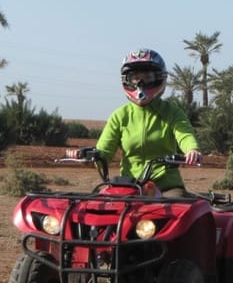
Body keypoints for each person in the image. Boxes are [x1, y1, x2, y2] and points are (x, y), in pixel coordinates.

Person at [69, 48, 202, 197]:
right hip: (128, 186)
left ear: (159, 78)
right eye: (135, 77)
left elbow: (184, 134)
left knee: (176, 208)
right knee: (99, 205)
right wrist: (85, 157)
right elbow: (104, 153)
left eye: (147, 76)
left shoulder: (172, 113)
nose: (140, 82)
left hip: (166, 187)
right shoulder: (120, 116)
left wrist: (192, 150)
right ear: (126, 79)